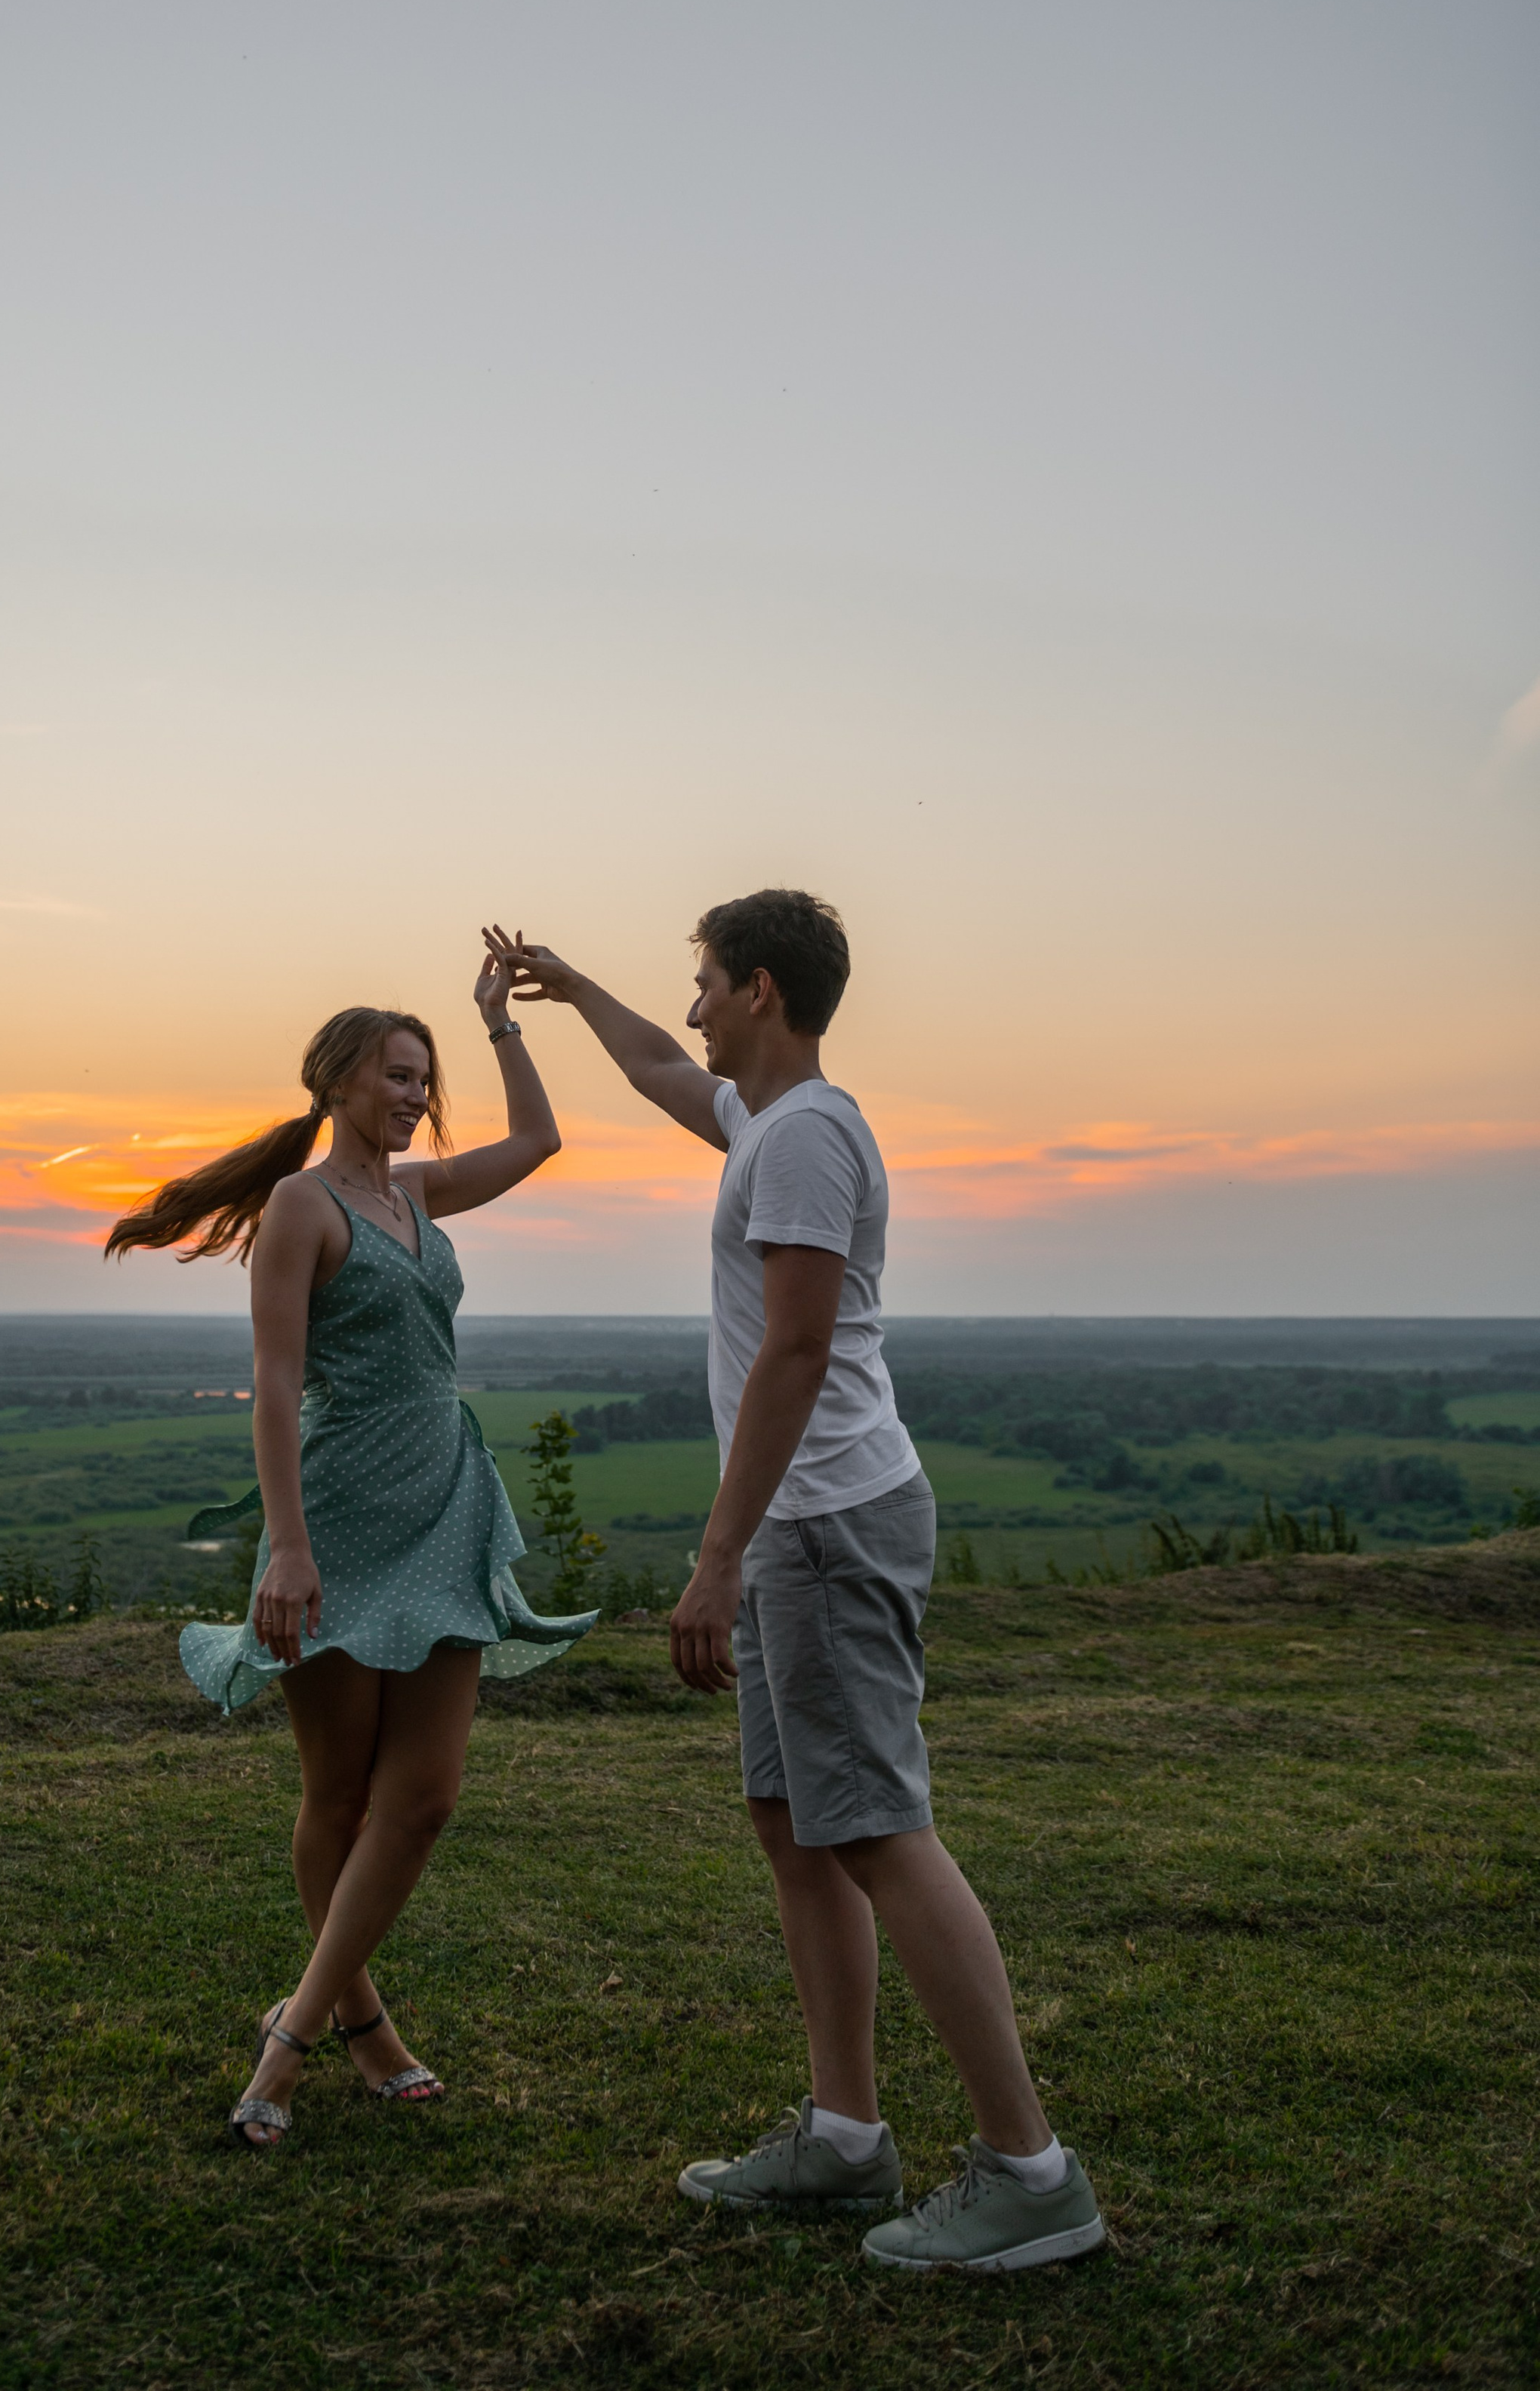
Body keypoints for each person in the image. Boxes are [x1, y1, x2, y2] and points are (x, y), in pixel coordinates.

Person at [501, 892, 1104, 2273]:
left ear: (761, 990)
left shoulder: (809, 1138)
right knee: (798, 1825)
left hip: (823, 1522)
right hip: (798, 1525)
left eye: (707, 983)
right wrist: (571, 982)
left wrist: (718, 1560)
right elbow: (660, 1063)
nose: (695, 1005)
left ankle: (1033, 2174)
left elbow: (796, 1350)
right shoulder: (762, 1124)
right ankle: (846, 2136)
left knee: (878, 1827)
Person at [104, 936, 597, 2149]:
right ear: (337, 1082)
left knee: (421, 1801)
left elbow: (537, 1143)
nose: (416, 1094)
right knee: (339, 1793)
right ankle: (345, 2031)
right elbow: (274, 1386)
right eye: (395, 1073)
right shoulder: (302, 1207)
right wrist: (285, 1548)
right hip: (338, 1515)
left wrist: (500, 1020)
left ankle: (300, 2020)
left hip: (445, 1504)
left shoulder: (415, 1195)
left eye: (425, 1076)